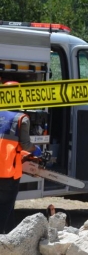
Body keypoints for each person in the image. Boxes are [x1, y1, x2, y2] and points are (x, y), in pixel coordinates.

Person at [0, 82, 41, 234]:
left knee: (8, 208)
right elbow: (25, 144)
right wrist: (36, 151)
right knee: (4, 208)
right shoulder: (21, 118)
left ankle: (11, 238)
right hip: (8, 173)